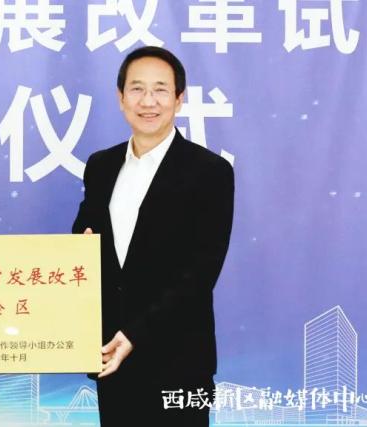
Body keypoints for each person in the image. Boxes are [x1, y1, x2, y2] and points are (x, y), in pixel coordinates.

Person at [72, 46, 234, 425]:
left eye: (160, 90)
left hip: (179, 361)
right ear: (121, 98)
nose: (148, 101)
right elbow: (85, 240)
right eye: (137, 89)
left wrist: (135, 334)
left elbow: (201, 271)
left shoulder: (209, 171)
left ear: (179, 99)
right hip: (111, 356)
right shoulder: (101, 165)